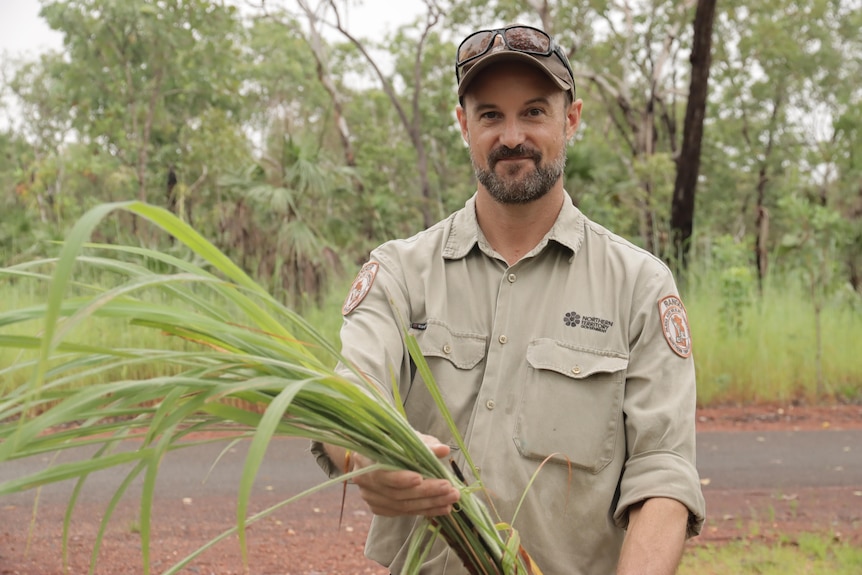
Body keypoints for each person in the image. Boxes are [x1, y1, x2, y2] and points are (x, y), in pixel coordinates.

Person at [312, 23, 706, 575]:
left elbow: (662, 470)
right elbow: (348, 395)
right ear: (463, 125)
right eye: (491, 114)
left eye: (535, 112)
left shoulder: (639, 285)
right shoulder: (400, 271)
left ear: (571, 119)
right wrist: (366, 460)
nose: (512, 135)